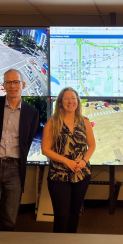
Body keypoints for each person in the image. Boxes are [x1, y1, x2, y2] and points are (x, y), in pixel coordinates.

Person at [0, 69, 38, 231]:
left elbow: (27, 142)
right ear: (3, 85)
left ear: (23, 84)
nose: (12, 86)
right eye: (8, 82)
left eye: (16, 82)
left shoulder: (32, 112)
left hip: (15, 169)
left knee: (10, 220)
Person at [41, 87, 95, 233]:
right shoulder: (52, 123)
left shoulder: (85, 122)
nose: (70, 102)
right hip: (59, 176)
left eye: (73, 98)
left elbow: (92, 145)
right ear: (60, 102)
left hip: (81, 174)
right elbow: (45, 149)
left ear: (77, 101)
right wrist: (67, 162)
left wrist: (83, 161)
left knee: (74, 214)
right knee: (61, 216)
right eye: (66, 99)